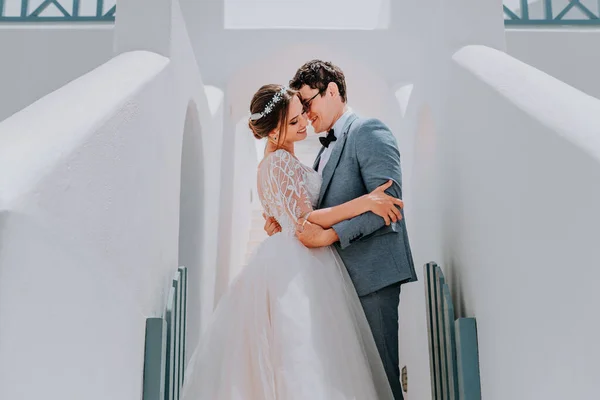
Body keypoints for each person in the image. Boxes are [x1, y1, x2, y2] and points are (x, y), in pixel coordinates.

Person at [181, 84, 405, 399]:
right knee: (311, 357)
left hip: (286, 257)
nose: (304, 125)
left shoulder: (269, 165)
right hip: (300, 264)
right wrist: (365, 203)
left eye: (301, 115)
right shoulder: (280, 163)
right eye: (294, 122)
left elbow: (286, 219)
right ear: (274, 133)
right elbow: (305, 223)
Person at [264, 60, 417, 399]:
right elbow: (315, 212)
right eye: (300, 107)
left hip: (372, 278)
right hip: (337, 285)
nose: (305, 113)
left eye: (308, 103)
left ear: (332, 91)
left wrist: (331, 235)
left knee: (382, 379)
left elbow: (389, 202)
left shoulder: (369, 131)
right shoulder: (322, 152)